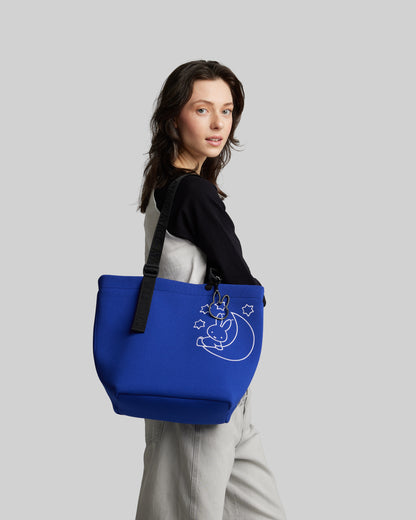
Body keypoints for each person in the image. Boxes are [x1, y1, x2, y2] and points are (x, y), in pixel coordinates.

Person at [135, 60, 287, 520]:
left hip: (215, 384)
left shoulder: (166, 189)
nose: (219, 123)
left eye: (227, 110)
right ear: (172, 118)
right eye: (202, 109)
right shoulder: (193, 194)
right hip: (199, 383)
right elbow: (243, 284)